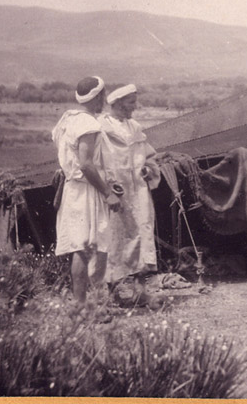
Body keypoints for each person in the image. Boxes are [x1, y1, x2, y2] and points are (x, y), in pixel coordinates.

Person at [51, 76, 120, 315]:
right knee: (88, 247)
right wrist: (107, 192)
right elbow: (87, 165)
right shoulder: (88, 125)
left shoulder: (69, 120)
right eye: (103, 96)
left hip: (76, 190)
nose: (104, 100)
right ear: (99, 97)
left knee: (85, 247)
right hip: (86, 190)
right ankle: (86, 305)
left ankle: (85, 304)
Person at [98, 84, 161, 300]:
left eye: (135, 102)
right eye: (130, 102)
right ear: (116, 103)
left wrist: (147, 168)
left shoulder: (135, 128)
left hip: (138, 191)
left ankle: (140, 292)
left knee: (141, 235)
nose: (134, 107)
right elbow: (94, 162)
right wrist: (107, 186)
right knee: (113, 239)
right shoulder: (101, 129)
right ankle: (111, 294)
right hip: (115, 193)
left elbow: (150, 156)